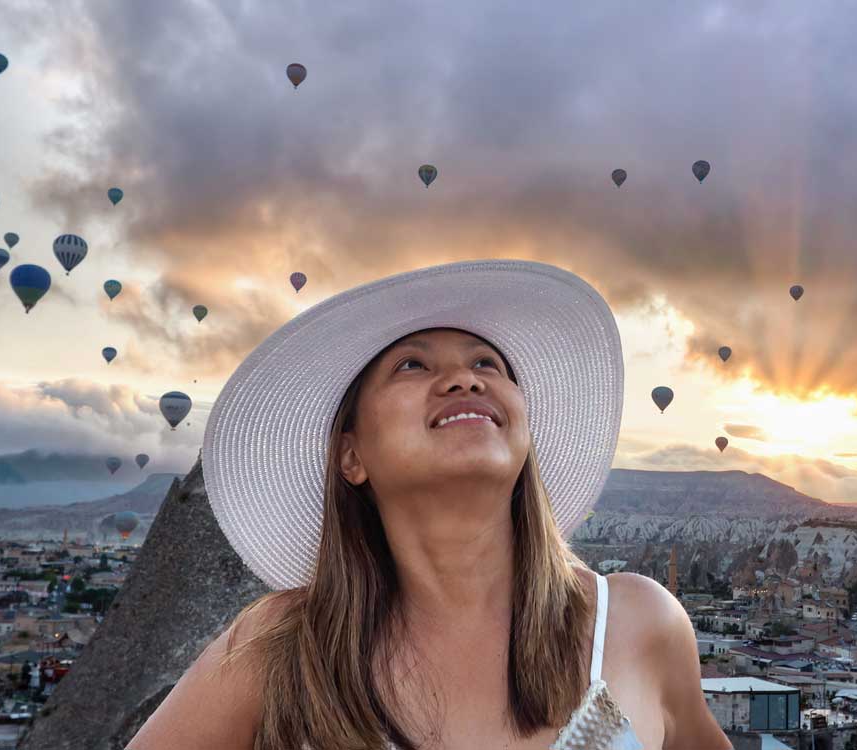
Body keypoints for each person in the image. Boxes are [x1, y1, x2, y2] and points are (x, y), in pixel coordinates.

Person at [126, 259, 731, 750]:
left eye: (486, 363)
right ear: (350, 456)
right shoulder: (283, 649)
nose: (464, 379)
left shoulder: (639, 622)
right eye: (412, 364)